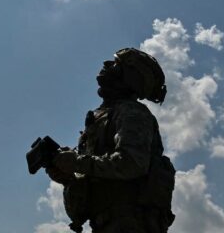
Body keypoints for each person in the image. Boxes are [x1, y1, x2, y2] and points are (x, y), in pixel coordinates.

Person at [45, 48, 175, 233]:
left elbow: (131, 163)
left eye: (116, 64)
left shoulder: (132, 113)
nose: (106, 65)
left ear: (131, 77)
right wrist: (69, 180)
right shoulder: (100, 121)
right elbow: (79, 213)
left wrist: (77, 163)